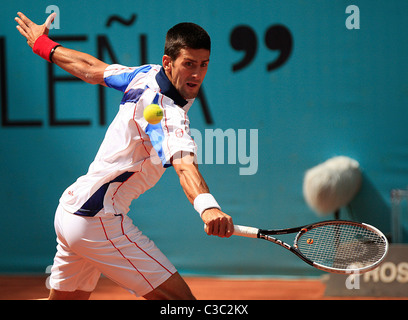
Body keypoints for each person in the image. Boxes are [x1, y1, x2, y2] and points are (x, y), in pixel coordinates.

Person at [15, 11, 234, 300]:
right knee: (181, 304)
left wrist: (43, 45)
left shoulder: (145, 75)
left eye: (203, 64)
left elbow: (91, 68)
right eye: (188, 64)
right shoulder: (166, 114)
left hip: (70, 211)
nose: (196, 74)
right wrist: (208, 207)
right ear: (169, 63)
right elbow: (184, 167)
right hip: (97, 220)